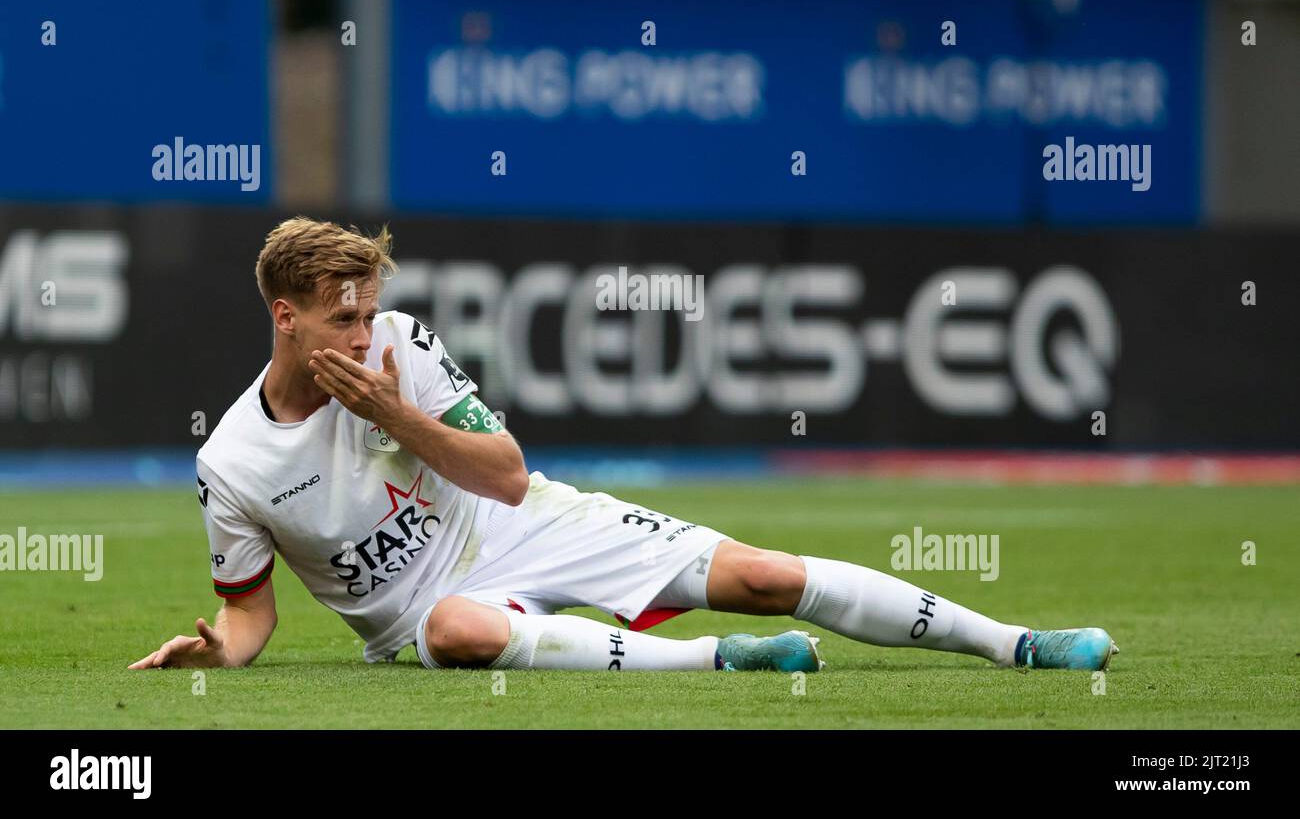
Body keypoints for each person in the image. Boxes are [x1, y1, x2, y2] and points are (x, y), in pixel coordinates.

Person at [130, 218, 1118, 675]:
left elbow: (508, 475)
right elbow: (250, 610)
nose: (360, 334)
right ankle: (715, 662)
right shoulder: (232, 462)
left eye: (367, 312)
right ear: (283, 315)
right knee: (460, 634)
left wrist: (397, 416)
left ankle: (1017, 642)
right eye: (341, 318)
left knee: (766, 571)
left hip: (527, 525)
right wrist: (214, 650)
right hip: (423, 611)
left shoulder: (402, 347)